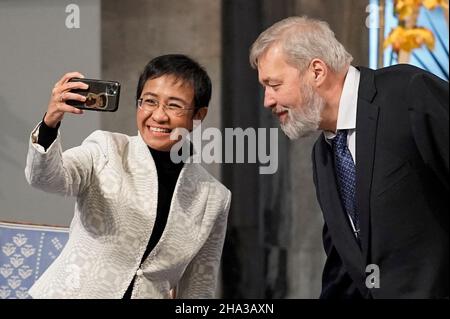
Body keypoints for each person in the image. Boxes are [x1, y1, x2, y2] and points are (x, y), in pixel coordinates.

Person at [249, 16, 449, 298]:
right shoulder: (323, 153)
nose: (267, 100)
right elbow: (345, 266)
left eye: (274, 84)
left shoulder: (407, 92)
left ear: (316, 71)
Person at [25, 54, 231, 299]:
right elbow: (47, 178)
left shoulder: (214, 197)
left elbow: (199, 287)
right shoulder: (105, 148)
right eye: (149, 101)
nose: (159, 116)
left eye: (174, 105)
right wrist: (50, 124)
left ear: (198, 115)